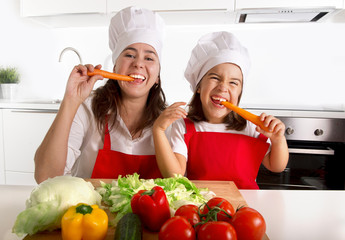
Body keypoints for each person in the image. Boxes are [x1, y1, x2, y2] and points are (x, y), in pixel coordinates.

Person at [34, 6, 167, 184]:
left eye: (149, 58)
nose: (138, 64)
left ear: (157, 76)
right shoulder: (86, 109)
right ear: (114, 67)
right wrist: (70, 101)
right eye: (129, 55)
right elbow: (46, 177)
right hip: (89, 211)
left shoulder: (168, 122)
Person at [153, 31, 289, 189]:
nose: (223, 87)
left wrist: (278, 140)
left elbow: (276, 166)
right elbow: (174, 176)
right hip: (202, 206)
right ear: (199, 87)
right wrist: (159, 130)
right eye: (215, 78)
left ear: (239, 93)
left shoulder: (251, 127)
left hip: (246, 207)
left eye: (233, 83)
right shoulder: (183, 127)